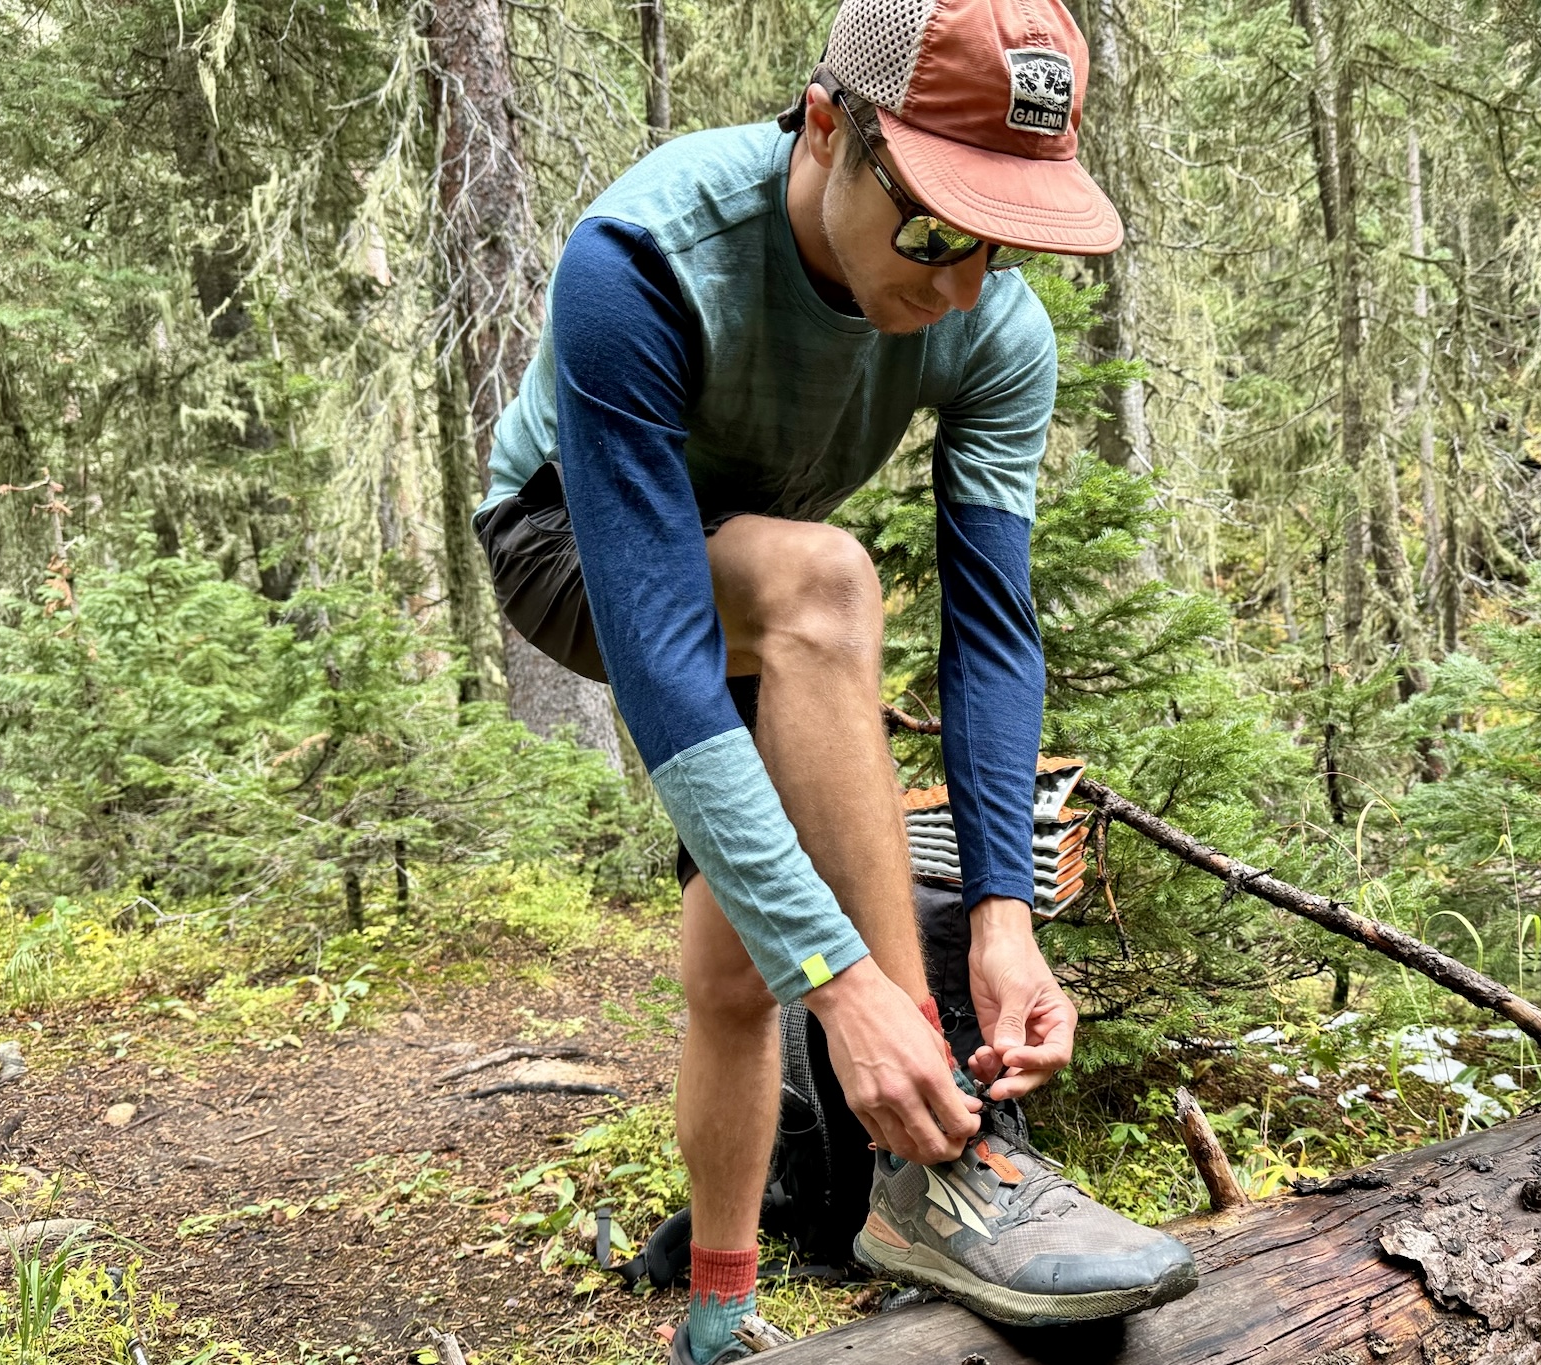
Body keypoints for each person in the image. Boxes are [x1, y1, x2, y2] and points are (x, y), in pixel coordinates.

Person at [474, 0, 1197, 1358]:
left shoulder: (996, 332)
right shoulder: (638, 257)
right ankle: (934, 1175)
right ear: (827, 127)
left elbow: (992, 630)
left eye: (1002, 237)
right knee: (825, 587)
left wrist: (1001, 916)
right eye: (931, 224)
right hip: (572, 541)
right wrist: (853, 983)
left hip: (761, 585)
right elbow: (661, 652)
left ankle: (719, 1307)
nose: (961, 281)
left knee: (736, 971)